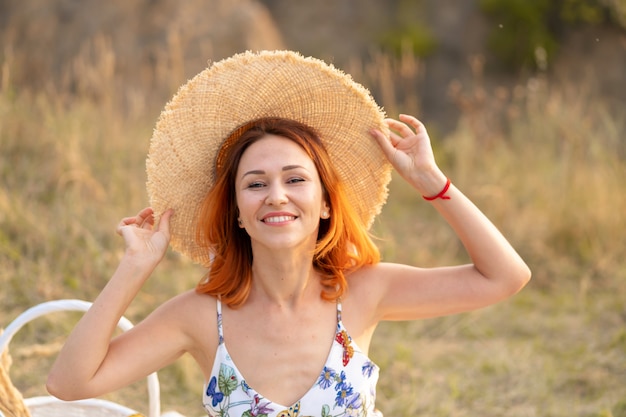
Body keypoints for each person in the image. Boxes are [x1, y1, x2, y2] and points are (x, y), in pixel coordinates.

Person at [47, 50, 531, 417]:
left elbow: (504, 277)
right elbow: (68, 384)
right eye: (255, 184)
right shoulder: (199, 316)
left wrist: (433, 184)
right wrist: (134, 269)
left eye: (295, 179)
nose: (276, 196)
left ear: (324, 203)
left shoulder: (364, 290)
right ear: (237, 211)